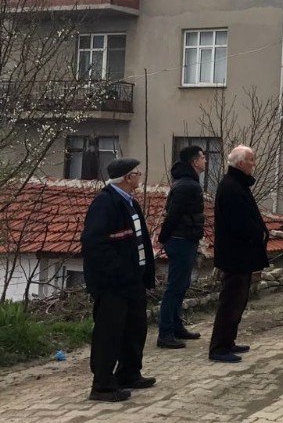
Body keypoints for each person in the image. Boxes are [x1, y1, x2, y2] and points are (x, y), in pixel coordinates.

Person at [80, 157, 156, 402]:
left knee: (135, 328)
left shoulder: (130, 202)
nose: (140, 177)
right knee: (109, 332)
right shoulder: (105, 203)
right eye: (137, 173)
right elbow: (95, 243)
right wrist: (119, 269)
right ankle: (102, 384)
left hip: (134, 280)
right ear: (127, 178)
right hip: (113, 283)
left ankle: (129, 373)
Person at [208, 145, 269, 363]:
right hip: (235, 254)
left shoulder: (239, 184)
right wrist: (256, 234)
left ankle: (229, 341)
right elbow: (238, 223)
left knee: (239, 300)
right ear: (241, 163)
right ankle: (219, 347)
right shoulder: (231, 187)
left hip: (242, 253)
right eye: (251, 160)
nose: (254, 164)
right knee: (230, 301)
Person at [156, 145, 206, 349]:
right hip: (180, 240)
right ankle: (165, 333)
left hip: (186, 238)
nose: (205, 161)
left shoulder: (188, 182)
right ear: (194, 162)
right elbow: (173, 214)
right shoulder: (187, 185)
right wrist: (163, 238)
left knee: (182, 285)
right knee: (175, 287)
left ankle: (176, 326)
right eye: (202, 157)